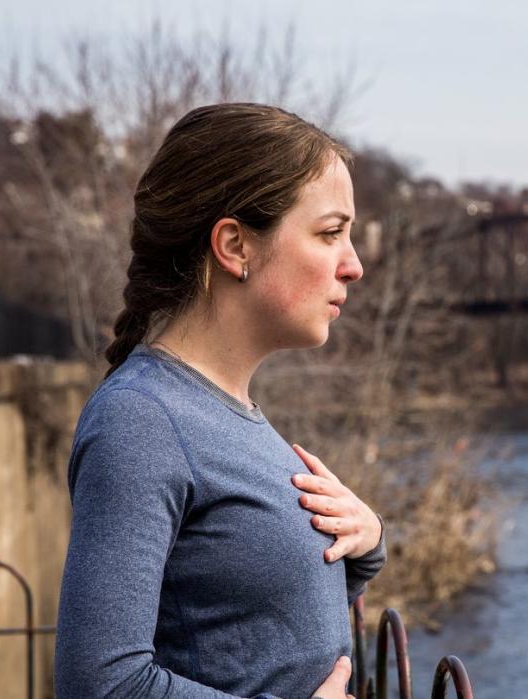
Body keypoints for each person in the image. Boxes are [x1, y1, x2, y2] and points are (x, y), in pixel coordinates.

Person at [54, 103, 385, 699]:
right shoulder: (142, 420)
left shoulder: (228, 414)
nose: (353, 265)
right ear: (235, 246)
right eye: (331, 233)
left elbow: (257, 626)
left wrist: (365, 542)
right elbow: (102, 685)